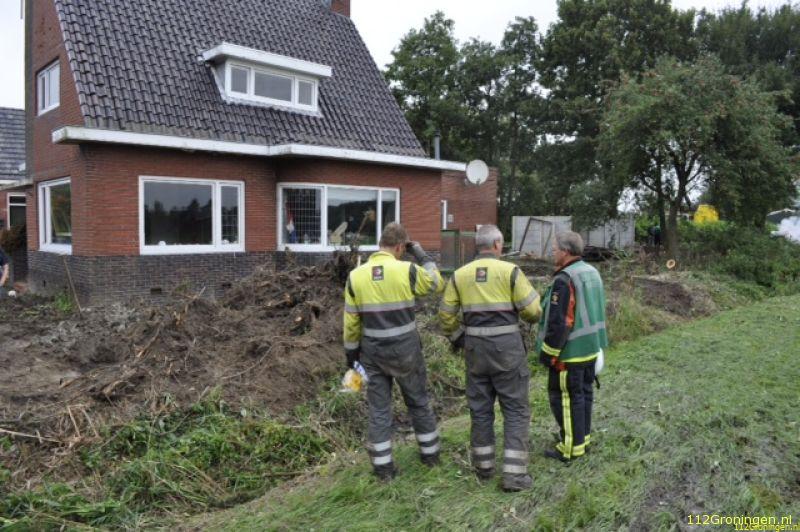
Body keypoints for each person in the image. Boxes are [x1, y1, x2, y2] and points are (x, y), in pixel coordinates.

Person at [438, 225, 542, 492]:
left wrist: (460, 338)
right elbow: (533, 311)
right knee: (515, 409)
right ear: (497, 245)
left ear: (478, 245)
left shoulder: (459, 275)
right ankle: (514, 476)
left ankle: (483, 468)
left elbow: (445, 316)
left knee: (480, 409)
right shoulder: (510, 272)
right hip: (507, 350)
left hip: (475, 350)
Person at [343, 223, 444, 481]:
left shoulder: (355, 276)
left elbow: (351, 323)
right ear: (400, 247)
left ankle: (383, 469)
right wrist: (420, 254)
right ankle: (430, 456)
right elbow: (436, 283)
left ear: (380, 245)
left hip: (372, 353)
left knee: (379, 410)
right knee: (418, 401)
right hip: (406, 350)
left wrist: (352, 357)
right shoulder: (407, 270)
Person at [536, 231, 608, 462]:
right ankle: (582, 440)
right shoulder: (592, 272)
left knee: (565, 400)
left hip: (569, 354)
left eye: (554, 249)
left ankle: (569, 449)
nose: (552, 253)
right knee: (583, 396)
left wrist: (549, 354)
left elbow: (560, 322)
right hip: (591, 348)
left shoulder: (564, 279)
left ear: (565, 251)